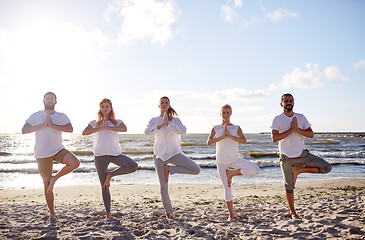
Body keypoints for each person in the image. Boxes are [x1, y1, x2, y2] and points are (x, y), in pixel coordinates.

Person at [271, 93, 332, 219]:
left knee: (327, 168)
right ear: (281, 103)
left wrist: (297, 129)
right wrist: (291, 130)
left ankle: (298, 170)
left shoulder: (301, 117)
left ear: (294, 103)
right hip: (286, 158)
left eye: (291, 100)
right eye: (286, 101)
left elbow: (311, 134)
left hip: (303, 155)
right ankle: (293, 212)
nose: (289, 102)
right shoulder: (277, 119)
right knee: (289, 186)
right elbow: (274, 138)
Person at [22, 92, 80, 221]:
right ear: (43, 101)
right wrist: (42, 125)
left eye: (52, 99)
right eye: (47, 99)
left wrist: (51, 125)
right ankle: (52, 214)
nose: (49, 100)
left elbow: (70, 129)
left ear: (56, 102)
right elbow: (24, 130)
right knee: (46, 185)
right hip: (42, 153)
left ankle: (55, 178)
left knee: (75, 162)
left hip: (57, 149)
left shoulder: (61, 116)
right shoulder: (36, 115)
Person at [144, 96, 201, 219]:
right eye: (162, 102)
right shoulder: (154, 120)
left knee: (196, 169)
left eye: (166, 102)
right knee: (163, 186)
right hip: (159, 156)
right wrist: (160, 125)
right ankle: (168, 213)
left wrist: (168, 125)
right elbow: (147, 132)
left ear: (169, 105)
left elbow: (183, 130)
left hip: (175, 154)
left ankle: (170, 170)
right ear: (159, 105)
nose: (164, 104)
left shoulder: (175, 120)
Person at [82, 98, 138, 219]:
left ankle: (110, 175)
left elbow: (124, 129)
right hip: (99, 156)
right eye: (103, 106)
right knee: (104, 186)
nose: (105, 108)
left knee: (133, 166)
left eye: (107, 106)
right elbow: (84, 132)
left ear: (111, 108)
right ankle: (108, 214)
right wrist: (100, 127)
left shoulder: (117, 121)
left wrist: (107, 126)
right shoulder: (94, 122)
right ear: (100, 108)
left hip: (115, 154)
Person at [207, 104, 260, 220]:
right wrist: (223, 136)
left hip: (234, 159)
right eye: (223, 112)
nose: (225, 115)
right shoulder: (215, 128)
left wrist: (229, 135)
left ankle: (232, 173)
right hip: (221, 162)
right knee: (227, 188)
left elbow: (244, 141)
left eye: (227, 112)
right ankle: (231, 215)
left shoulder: (236, 128)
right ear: (220, 113)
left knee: (256, 169)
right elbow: (209, 142)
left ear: (231, 113)